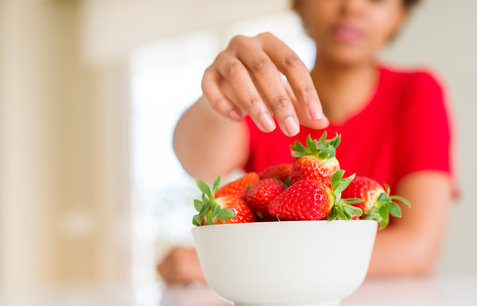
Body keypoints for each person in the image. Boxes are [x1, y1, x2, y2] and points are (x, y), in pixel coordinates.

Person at [157, 0, 455, 284]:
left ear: (399, 17)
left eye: (376, 0)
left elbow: (417, 249)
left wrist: (238, 263)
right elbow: (197, 163)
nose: (352, 6)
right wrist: (220, 100)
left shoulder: (417, 92)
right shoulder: (263, 99)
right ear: (302, 4)